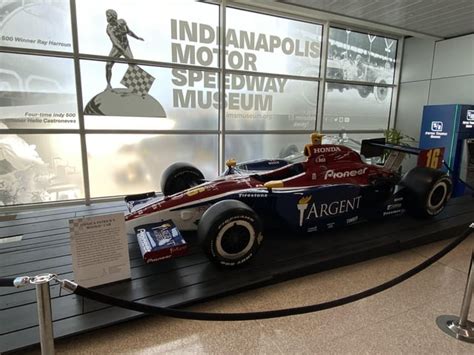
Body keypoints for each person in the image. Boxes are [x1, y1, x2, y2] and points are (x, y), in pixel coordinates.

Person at [105, 9, 144, 89]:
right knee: (108, 65)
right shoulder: (109, 28)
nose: (107, 18)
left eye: (108, 15)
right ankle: (108, 85)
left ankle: (138, 87)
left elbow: (129, 32)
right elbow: (115, 42)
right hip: (117, 48)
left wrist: (137, 37)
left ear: (113, 16)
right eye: (107, 16)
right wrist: (123, 52)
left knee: (132, 64)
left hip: (125, 46)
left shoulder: (122, 22)